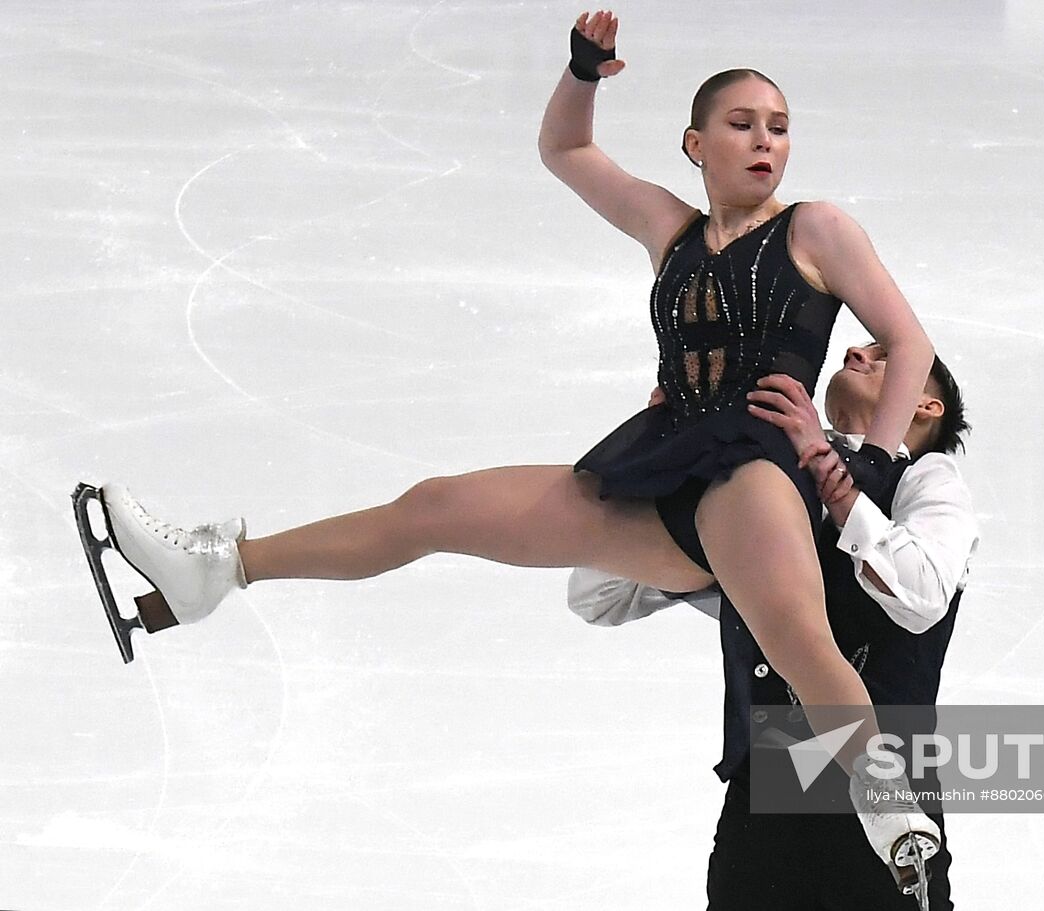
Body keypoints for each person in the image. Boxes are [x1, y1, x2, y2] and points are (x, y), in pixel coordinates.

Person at [71, 10, 943, 895]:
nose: (766, 142)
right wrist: (582, 71)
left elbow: (906, 340)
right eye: (743, 124)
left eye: (780, 128)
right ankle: (214, 570)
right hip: (657, 463)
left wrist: (866, 466)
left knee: (796, 636)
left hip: (754, 465)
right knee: (437, 506)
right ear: (695, 142)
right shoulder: (669, 229)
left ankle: (888, 809)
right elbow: (565, 150)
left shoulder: (816, 228)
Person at [569, 343, 977, 909]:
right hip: (762, 809)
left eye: (882, 357)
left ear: (925, 406)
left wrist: (826, 470)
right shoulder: (760, 491)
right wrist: (667, 456)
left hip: (886, 812)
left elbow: (923, 592)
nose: (857, 348)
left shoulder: (927, 479)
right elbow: (598, 596)